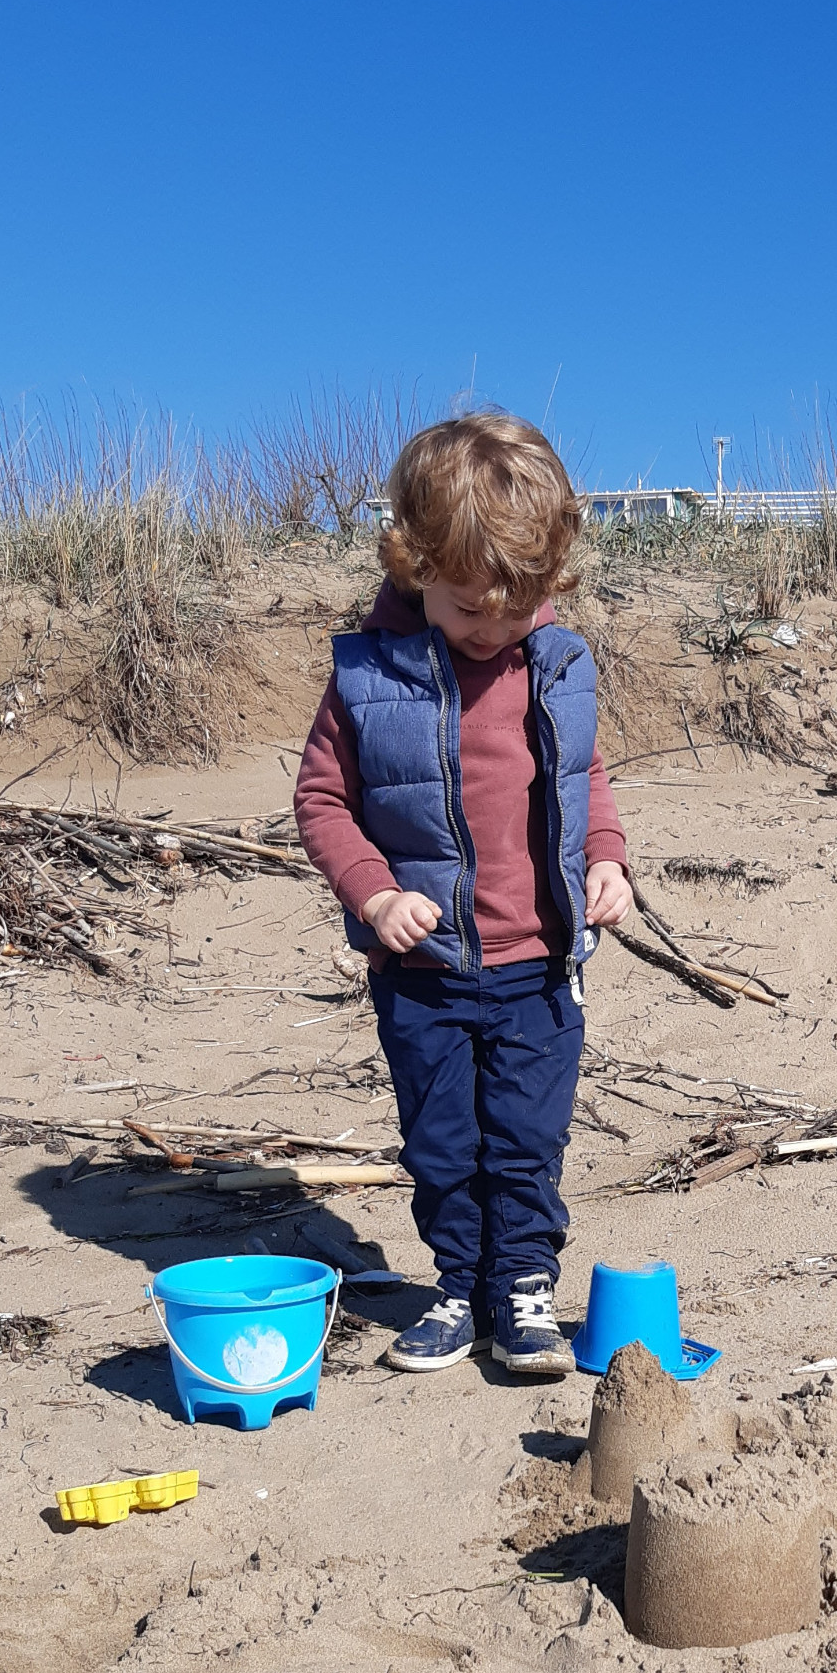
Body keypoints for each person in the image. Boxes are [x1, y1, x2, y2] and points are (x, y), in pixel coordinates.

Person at [294, 411, 632, 1376]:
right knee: (442, 1142)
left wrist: (605, 859)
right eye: (469, 609)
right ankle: (455, 1286)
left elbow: (586, 780)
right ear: (414, 565)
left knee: (526, 1137)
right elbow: (321, 801)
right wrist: (373, 897)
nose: (491, 633)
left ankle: (522, 1288)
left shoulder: (559, 664)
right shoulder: (368, 676)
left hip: (537, 965)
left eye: (513, 611)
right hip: (424, 970)